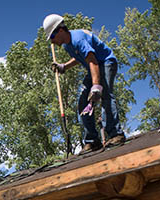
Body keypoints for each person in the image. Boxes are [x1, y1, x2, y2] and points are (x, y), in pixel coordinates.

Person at [43, 14, 125, 154]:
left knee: (105, 94)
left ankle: (116, 134)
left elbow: (92, 60)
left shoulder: (78, 38)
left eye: (52, 37)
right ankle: (92, 141)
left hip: (105, 63)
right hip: (92, 67)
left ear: (60, 31)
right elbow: (78, 57)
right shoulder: (68, 45)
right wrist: (64, 66)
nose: (52, 41)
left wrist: (96, 86)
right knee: (83, 102)